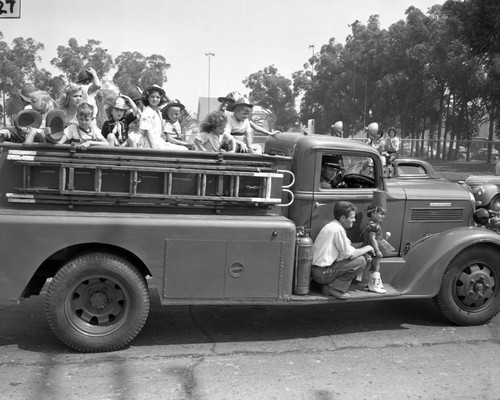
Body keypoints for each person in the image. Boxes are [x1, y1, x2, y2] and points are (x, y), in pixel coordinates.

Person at [311, 201, 374, 299]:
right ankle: (332, 288)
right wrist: (369, 247)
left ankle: (328, 285)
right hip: (322, 273)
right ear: (343, 218)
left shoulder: (332, 226)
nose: (354, 220)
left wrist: (363, 246)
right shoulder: (337, 229)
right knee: (361, 261)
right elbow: (351, 254)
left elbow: (348, 248)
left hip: (318, 272)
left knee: (361, 256)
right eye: (352, 217)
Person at [362, 204, 396, 294]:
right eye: (380, 214)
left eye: (384, 214)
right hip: (373, 249)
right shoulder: (373, 226)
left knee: (374, 266)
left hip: (374, 247)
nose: (383, 216)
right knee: (376, 266)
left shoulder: (374, 224)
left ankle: (371, 283)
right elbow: (373, 239)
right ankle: (375, 285)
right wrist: (377, 250)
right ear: (373, 213)